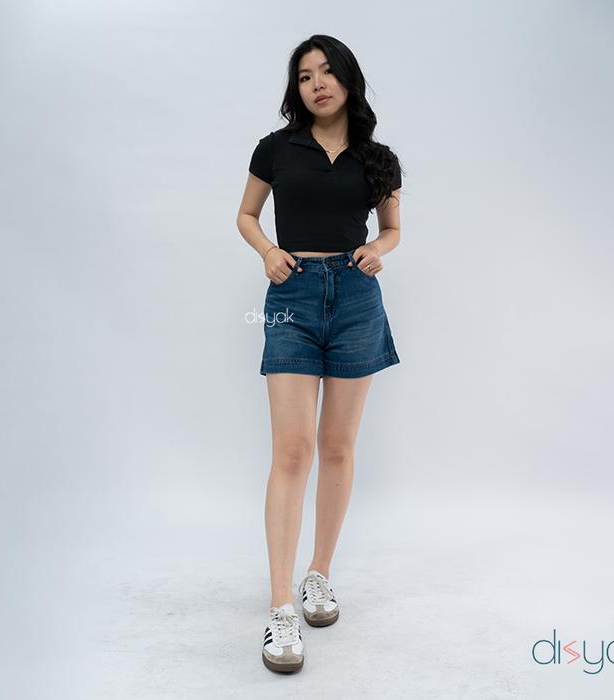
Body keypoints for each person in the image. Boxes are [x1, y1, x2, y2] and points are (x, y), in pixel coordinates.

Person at [236, 34, 403, 674]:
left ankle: (319, 574)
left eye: (327, 72)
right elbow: (247, 215)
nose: (317, 84)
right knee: (292, 450)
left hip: (357, 298)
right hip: (292, 297)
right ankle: (281, 605)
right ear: (296, 89)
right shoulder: (276, 149)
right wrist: (268, 252)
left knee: (337, 446)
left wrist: (378, 250)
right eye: (305, 76)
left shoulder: (378, 158)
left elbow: (392, 229)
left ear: (348, 79)